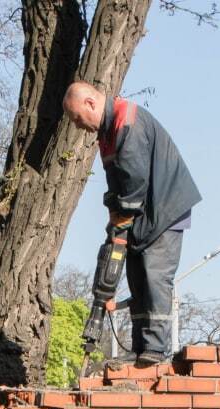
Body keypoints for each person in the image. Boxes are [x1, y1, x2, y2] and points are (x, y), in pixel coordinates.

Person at [62, 81, 202, 367]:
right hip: (141, 216)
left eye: (78, 118)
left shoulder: (127, 122)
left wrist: (121, 216)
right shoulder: (107, 133)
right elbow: (119, 183)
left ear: (90, 103)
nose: (78, 126)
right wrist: (114, 219)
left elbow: (135, 180)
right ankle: (141, 348)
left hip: (164, 210)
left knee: (153, 276)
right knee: (137, 276)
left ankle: (155, 349)